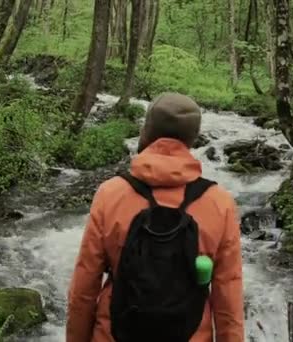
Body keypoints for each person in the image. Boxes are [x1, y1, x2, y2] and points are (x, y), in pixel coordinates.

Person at [66, 92, 244, 342]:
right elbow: (228, 299)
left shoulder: (111, 193)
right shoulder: (220, 202)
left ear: (146, 132)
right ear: (192, 140)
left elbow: (84, 287)